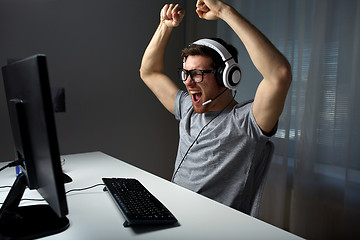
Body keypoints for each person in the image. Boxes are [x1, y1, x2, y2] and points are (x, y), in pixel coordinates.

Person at [140, 0, 292, 215]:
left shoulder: (247, 121)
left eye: (197, 74)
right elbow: (149, 72)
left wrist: (224, 12)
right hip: (173, 214)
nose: (188, 82)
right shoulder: (187, 109)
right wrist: (165, 26)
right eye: (186, 73)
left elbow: (279, 75)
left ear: (228, 77)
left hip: (213, 227)